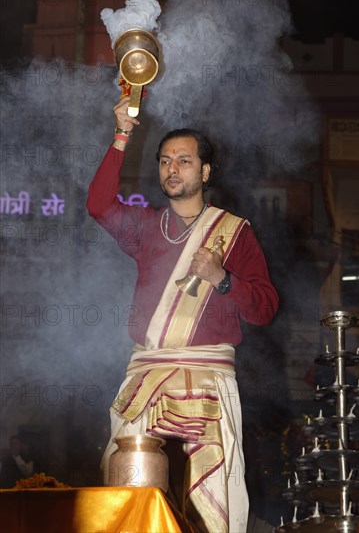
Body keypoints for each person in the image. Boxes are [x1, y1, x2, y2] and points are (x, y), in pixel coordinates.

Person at [87, 97, 279, 532]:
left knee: (209, 506)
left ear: (205, 172)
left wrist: (222, 278)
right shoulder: (144, 227)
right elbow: (99, 205)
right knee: (130, 496)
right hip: (145, 382)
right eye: (165, 161)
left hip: (207, 385)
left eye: (185, 161)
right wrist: (121, 135)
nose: (173, 169)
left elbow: (265, 310)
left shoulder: (235, 234)